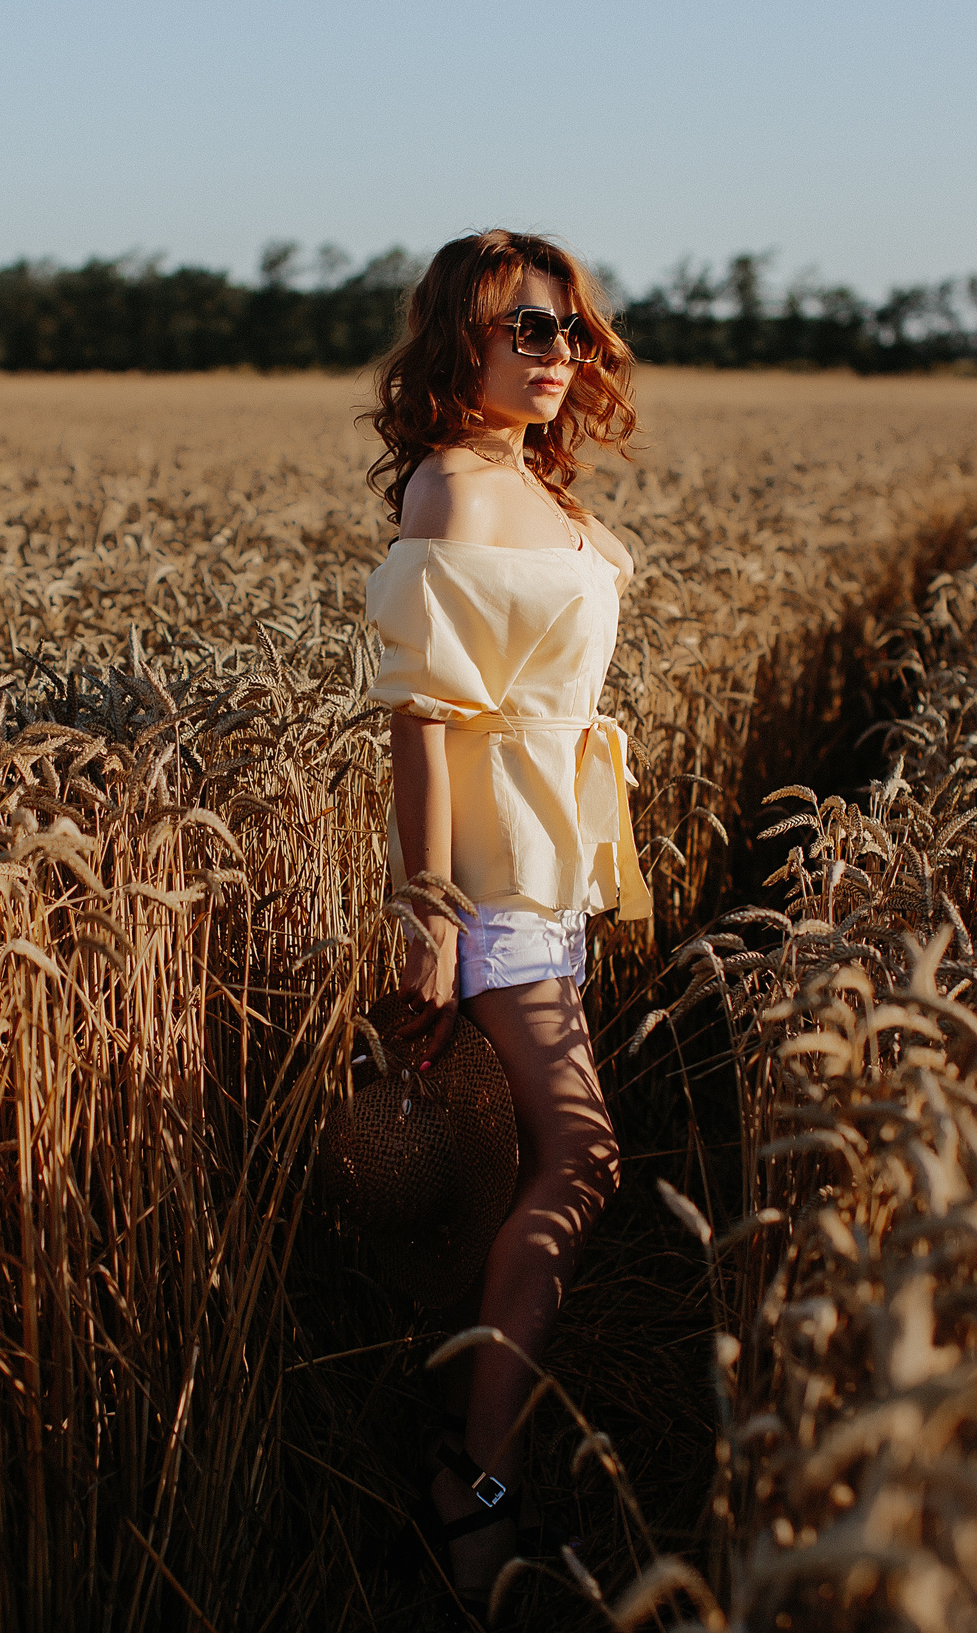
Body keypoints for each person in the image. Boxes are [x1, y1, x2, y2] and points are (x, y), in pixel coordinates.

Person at [360, 230, 645, 1608]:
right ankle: (477, 1486)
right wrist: (426, 909)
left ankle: (464, 1446)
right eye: (524, 326)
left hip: (551, 863)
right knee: (582, 1157)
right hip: (495, 877)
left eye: (570, 328)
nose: (555, 351)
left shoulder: (530, 481)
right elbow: (422, 714)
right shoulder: (454, 489)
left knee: (536, 1160)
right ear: (457, 337)